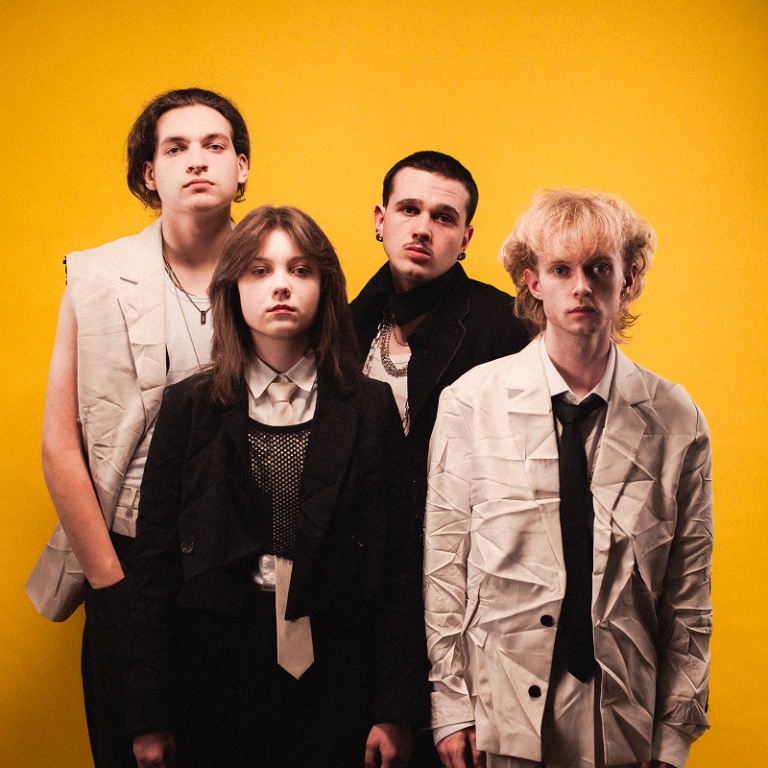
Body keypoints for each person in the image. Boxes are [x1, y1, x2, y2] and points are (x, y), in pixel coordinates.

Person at [124, 206, 423, 768]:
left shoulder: (370, 407)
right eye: (259, 270)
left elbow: (399, 567)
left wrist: (394, 708)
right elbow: (155, 567)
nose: (281, 285)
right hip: (214, 677)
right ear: (232, 288)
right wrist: (149, 715)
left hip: (339, 676)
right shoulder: (189, 408)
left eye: (300, 269)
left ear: (325, 288)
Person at [424, 189, 712, 768]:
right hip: (499, 699)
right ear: (532, 281)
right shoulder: (471, 402)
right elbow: (445, 561)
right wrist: (450, 705)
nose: (581, 287)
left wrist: (675, 731)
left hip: (624, 707)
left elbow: (689, 590)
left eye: (599, 268)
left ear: (629, 280)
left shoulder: (676, 417)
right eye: (561, 269)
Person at [30, 87, 250, 768]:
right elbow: (60, 444)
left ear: (241, 166)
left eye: (215, 145)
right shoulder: (95, 277)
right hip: (124, 555)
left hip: (246, 564)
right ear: (150, 173)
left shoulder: (281, 270)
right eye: (176, 148)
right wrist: (111, 585)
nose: (197, 160)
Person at [350, 151, 529, 511]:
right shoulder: (347, 321)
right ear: (380, 221)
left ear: (465, 239)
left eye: (443, 218)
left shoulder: (506, 324)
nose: (422, 229)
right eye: (409, 209)